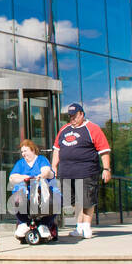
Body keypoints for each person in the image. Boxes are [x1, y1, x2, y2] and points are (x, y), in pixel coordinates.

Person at [51, 102, 112, 239]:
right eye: (70, 116)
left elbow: (104, 150)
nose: (72, 119)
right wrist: (54, 167)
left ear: (81, 114)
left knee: (87, 200)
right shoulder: (64, 129)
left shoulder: (92, 129)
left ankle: (86, 227)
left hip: (86, 172)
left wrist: (106, 169)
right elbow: (57, 149)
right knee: (73, 202)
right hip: (66, 173)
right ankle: (79, 227)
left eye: (74, 116)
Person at [9, 140, 59, 241]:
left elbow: (46, 171)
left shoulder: (41, 160)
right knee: (16, 200)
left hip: (41, 191)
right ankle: (23, 223)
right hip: (25, 192)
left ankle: (44, 224)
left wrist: (40, 176)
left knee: (55, 200)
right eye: (22, 151)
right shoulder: (20, 163)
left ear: (32, 150)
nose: (23, 154)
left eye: (25, 150)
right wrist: (25, 177)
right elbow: (12, 177)